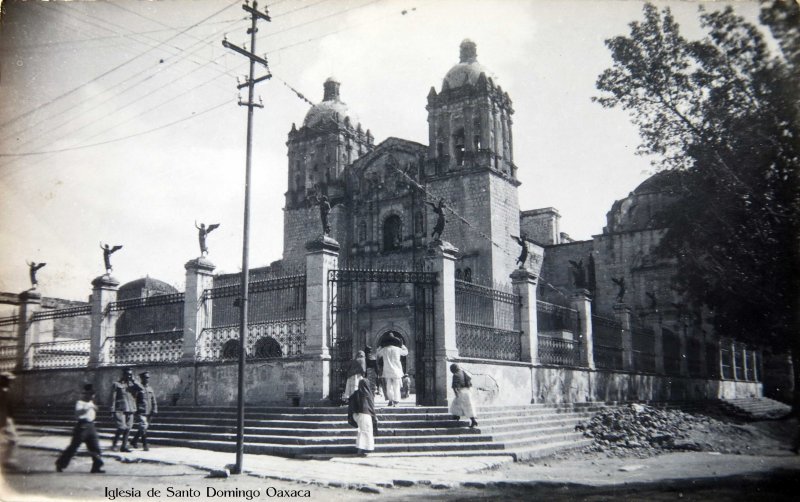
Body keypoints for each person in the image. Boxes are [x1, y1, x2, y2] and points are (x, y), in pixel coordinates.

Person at [56, 384, 104, 473]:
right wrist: (87, 407)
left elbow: (96, 409)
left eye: (93, 395)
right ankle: (60, 464)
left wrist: (94, 406)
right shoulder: (80, 403)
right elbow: (77, 414)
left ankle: (96, 467)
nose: (92, 396)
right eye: (90, 394)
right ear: (86, 394)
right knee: (74, 446)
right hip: (82, 426)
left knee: (95, 446)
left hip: (91, 426)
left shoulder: (91, 402)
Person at [110, 367, 140, 452]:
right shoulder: (117, 384)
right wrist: (112, 410)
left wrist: (134, 380)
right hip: (120, 409)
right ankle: (115, 444)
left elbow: (141, 389)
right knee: (121, 428)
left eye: (130, 374)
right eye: (127, 374)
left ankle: (124, 446)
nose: (129, 376)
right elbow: (113, 398)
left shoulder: (132, 385)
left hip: (131, 409)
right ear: (123, 375)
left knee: (128, 428)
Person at [347, 379, 377, 456]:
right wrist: (374, 416)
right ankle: (361, 450)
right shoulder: (369, 394)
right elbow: (371, 407)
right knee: (366, 432)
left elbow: (351, 401)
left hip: (360, 415)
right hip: (368, 416)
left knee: (362, 432)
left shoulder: (357, 393)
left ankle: (362, 450)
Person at [376, 335, 408, 406]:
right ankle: (396, 401)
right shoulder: (397, 349)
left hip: (387, 371)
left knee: (389, 386)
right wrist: (402, 345)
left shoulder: (384, 349)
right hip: (396, 371)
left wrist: (380, 347)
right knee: (396, 386)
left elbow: (378, 354)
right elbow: (405, 352)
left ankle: (390, 400)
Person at [130, 371, 157, 451]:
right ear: (141, 378)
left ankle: (134, 441)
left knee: (144, 427)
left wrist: (155, 409)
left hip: (149, 411)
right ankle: (145, 445)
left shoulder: (150, 388)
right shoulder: (138, 387)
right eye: (145, 378)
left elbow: (153, 400)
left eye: (148, 378)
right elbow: (133, 398)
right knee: (143, 427)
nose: (147, 379)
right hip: (141, 411)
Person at [449, 364, 478, 428]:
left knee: (458, 404)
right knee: (464, 406)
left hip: (461, 392)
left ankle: (472, 420)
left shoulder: (455, 375)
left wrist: (456, 393)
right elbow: (469, 381)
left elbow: (454, 386)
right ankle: (457, 416)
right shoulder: (463, 372)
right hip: (467, 391)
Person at [0, 372, 17, 471]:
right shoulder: (2, 392)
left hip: (7, 419)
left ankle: (7, 460)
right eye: (9, 380)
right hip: (3, 420)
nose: (11, 382)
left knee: (13, 440)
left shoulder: (6, 391)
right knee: (12, 440)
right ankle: (7, 460)